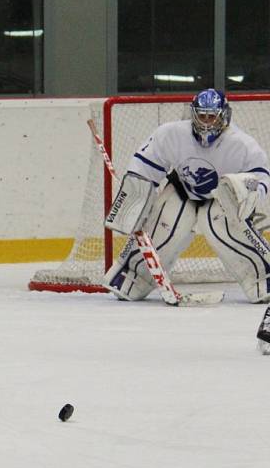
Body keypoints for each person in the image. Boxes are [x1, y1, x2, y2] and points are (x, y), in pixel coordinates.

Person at [103, 89, 270, 307]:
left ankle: (263, 279)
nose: (207, 122)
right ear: (193, 114)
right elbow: (144, 167)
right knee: (165, 229)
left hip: (220, 198)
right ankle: (131, 277)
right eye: (202, 115)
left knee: (224, 229)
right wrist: (136, 199)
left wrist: (252, 200)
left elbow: (261, 178)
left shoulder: (242, 144)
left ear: (224, 116)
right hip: (182, 190)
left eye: (212, 116)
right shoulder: (171, 134)